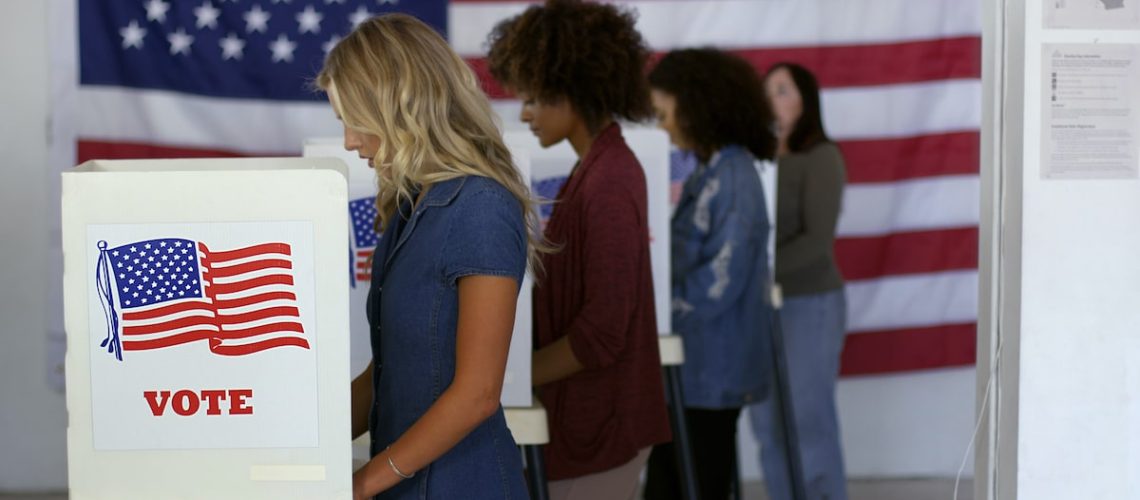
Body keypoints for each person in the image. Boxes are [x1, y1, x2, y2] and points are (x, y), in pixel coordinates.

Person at [319, 14, 548, 500]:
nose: (349, 141)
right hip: (406, 481)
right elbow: (387, 374)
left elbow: (477, 394)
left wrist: (362, 484)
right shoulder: (409, 207)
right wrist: (304, 448)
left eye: (354, 120)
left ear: (398, 105)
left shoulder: (482, 205)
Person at [486, 1, 671, 498]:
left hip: (602, 426)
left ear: (573, 87)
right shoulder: (598, 168)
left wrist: (504, 381)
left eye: (533, 96)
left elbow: (603, 332)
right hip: (591, 421)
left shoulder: (608, 179)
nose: (524, 112)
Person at [641, 48, 777, 500]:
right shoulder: (710, 171)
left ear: (697, 106)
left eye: (664, 114)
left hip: (712, 368)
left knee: (693, 481)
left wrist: (656, 314)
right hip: (694, 365)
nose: (661, 126)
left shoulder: (733, 177)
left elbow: (721, 280)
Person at [747, 62, 849, 500]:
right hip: (759, 307)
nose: (774, 98)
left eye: (784, 90)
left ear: (806, 101)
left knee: (809, 418)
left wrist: (755, 275)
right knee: (767, 423)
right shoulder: (753, 158)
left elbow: (817, 242)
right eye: (768, 90)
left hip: (809, 303)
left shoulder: (821, 157)